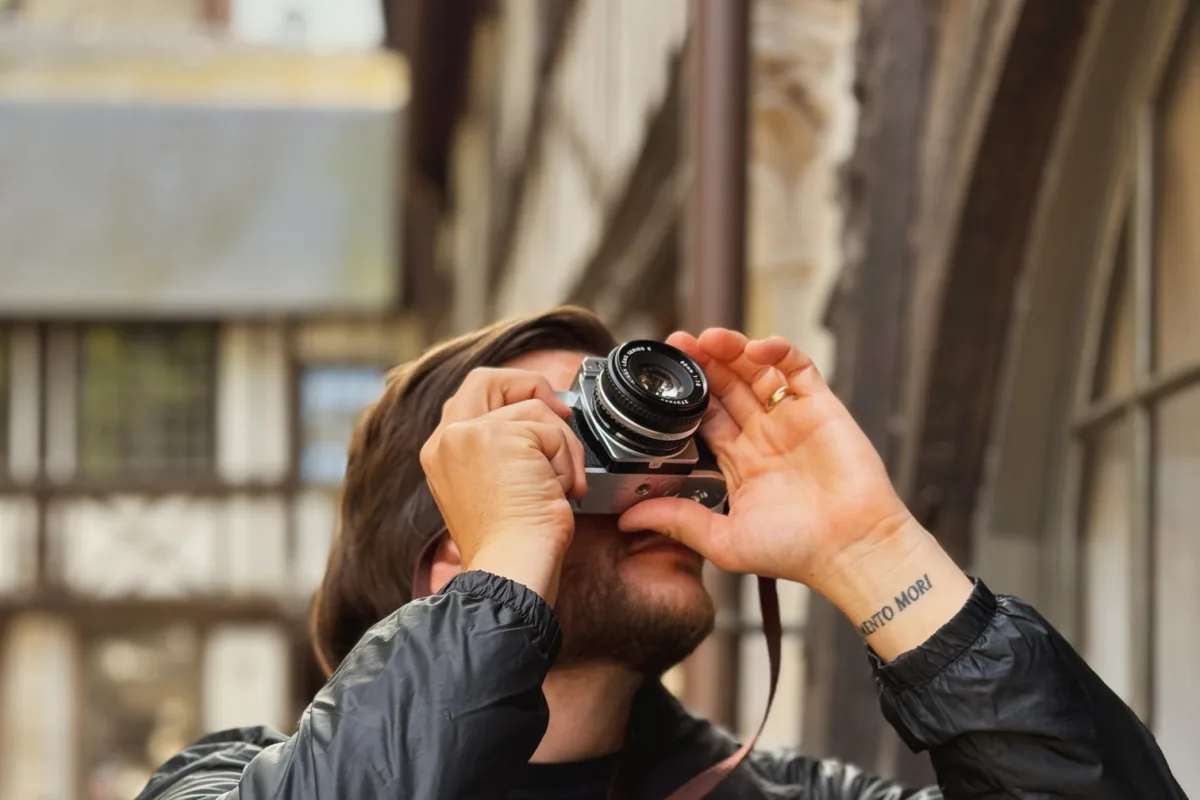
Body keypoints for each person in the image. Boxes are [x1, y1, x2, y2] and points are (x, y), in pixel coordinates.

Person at [136, 307, 1183, 799]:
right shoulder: (221, 778)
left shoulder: (794, 799)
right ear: (448, 537)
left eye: (656, 441)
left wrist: (871, 547)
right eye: (567, 444)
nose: (655, 473)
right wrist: (508, 571)